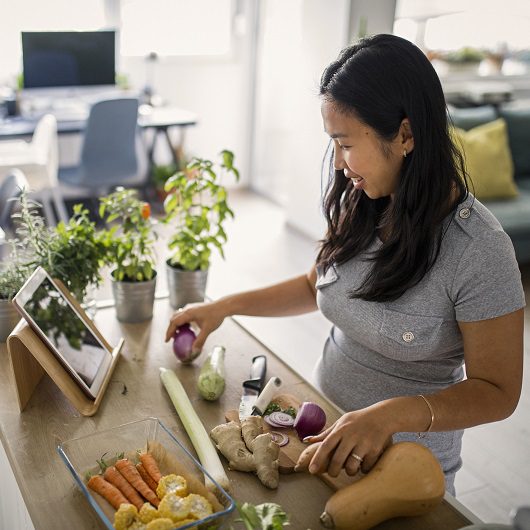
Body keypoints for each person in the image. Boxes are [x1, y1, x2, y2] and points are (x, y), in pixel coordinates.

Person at [165, 34, 525, 495]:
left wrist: (391, 414)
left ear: (406, 134)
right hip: (314, 442)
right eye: (332, 144)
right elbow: (315, 285)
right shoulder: (366, 201)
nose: (338, 164)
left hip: (403, 478)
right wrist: (224, 306)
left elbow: (498, 392)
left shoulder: (479, 249)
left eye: (347, 144)